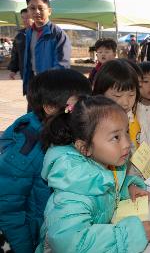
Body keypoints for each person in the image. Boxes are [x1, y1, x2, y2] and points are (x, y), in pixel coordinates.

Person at [36, 96, 150, 252]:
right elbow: (71, 244)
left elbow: (109, 185)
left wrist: (128, 187)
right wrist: (131, 234)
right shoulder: (73, 191)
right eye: (115, 137)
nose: (128, 143)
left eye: (126, 132)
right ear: (84, 148)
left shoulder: (107, 165)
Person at [0, 69, 91, 253]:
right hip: (30, 238)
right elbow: (8, 207)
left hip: (53, 229)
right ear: (49, 107)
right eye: (79, 103)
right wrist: (24, 248)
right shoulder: (27, 151)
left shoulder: (67, 130)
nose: (87, 108)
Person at [92, 59, 150, 166]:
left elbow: (142, 135)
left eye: (131, 95)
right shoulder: (95, 124)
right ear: (100, 93)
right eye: (117, 96)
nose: (125, 103)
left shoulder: (136, 113)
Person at [23, 0, 71, 97]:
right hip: (33, 85)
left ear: (49, 11)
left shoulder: (58, 34)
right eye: (32, 8)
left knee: (48, 113)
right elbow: (29, 60)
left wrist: (45, 82)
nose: (37, 12)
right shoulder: (29, 33)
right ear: (28, 11)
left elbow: (63, 65)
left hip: (51, 86)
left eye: (40, 8)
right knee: (32, 112)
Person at [8, 8, 33, 80]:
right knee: (27, 90)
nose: (24, 20)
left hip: (39, 72)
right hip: (24, 72)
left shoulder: (40, 34)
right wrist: (13, 70)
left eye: (28, 17)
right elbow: (15, 53)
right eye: (23, 18)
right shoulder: (19, 35)